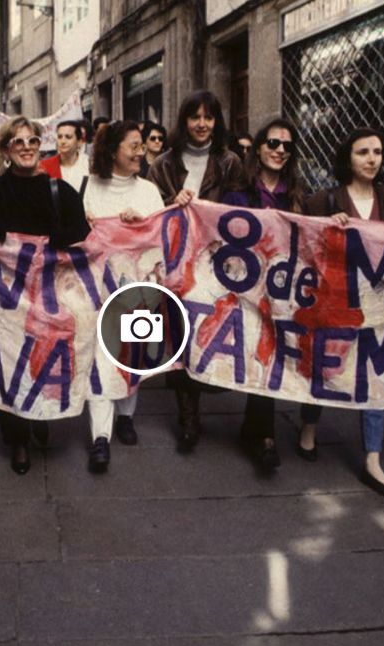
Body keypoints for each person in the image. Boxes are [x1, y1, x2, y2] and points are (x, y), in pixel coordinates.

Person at [303, 127, 384, 498]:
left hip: (377, 305)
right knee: (324, 366)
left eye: (377, 152)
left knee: (375, 376)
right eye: (362, 152)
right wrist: (326, 227)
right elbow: (307, 244)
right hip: (336, 302)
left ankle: (373, 457)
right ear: (348, 158)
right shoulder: (326, 199)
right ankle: (308, 425)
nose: (372, 159)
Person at [0, 117, 91, 475]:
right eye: (18, 141)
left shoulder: (59, 190)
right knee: (7, 364)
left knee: (43, 360)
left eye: (33, 141)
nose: (26, 147)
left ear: (41, 146)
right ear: (7, 149)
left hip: (48, 295)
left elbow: (83, 231)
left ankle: (41, 414)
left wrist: (60, 238)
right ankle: (18, 439)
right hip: (5, 298)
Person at [147, 89, 246, 452]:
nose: (202, 124)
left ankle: (214, 385)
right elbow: (149, 210)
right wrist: (172, 205)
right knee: (180, 333)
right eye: (195, 117)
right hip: (176, 262)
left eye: (209, 117)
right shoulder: (163, 165)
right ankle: (188, 417)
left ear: (217, 122)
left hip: (218, 263)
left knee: (214, 329)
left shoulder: (231, 162)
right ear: (184, 121)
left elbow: (241, 210)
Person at [222, 118, 310, 470]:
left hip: (284, 290)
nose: (279, 151)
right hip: (246, 289)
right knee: (260, 354)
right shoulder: (238, 193)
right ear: (258, 148)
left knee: (271, 356)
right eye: (273, 143)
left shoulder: (299, 195)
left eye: (287, 146)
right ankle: (265, 436)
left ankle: (255, 430)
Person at [81, 121, 166, 472]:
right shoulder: (88, 188)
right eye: (133, 145)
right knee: (99, 361)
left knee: (134, 354)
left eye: (141, 145)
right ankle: (101, 437)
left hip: (139, 291)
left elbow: (163, 239)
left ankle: (127, 415)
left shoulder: (148, 191)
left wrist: (143, 223)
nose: (140, 152)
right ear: (113, 149)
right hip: (97, 291)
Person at [40, 119, 90, 192]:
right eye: (60, 137)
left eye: (68, 137)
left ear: (79, 142)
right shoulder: (44, 166)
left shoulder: (90, 165)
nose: (63, 141)